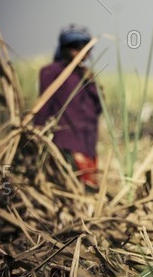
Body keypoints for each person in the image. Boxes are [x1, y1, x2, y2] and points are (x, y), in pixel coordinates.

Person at [34, 25, 102, 188]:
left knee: (89, 190)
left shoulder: (86, 76)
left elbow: (98, 108)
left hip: (88, 143)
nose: (83, 53)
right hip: (66, 143)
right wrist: (37, 132)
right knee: (68, 187)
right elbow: (44, 106)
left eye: (86, 48)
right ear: (65, 49)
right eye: (76, 48)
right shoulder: (52, 72)